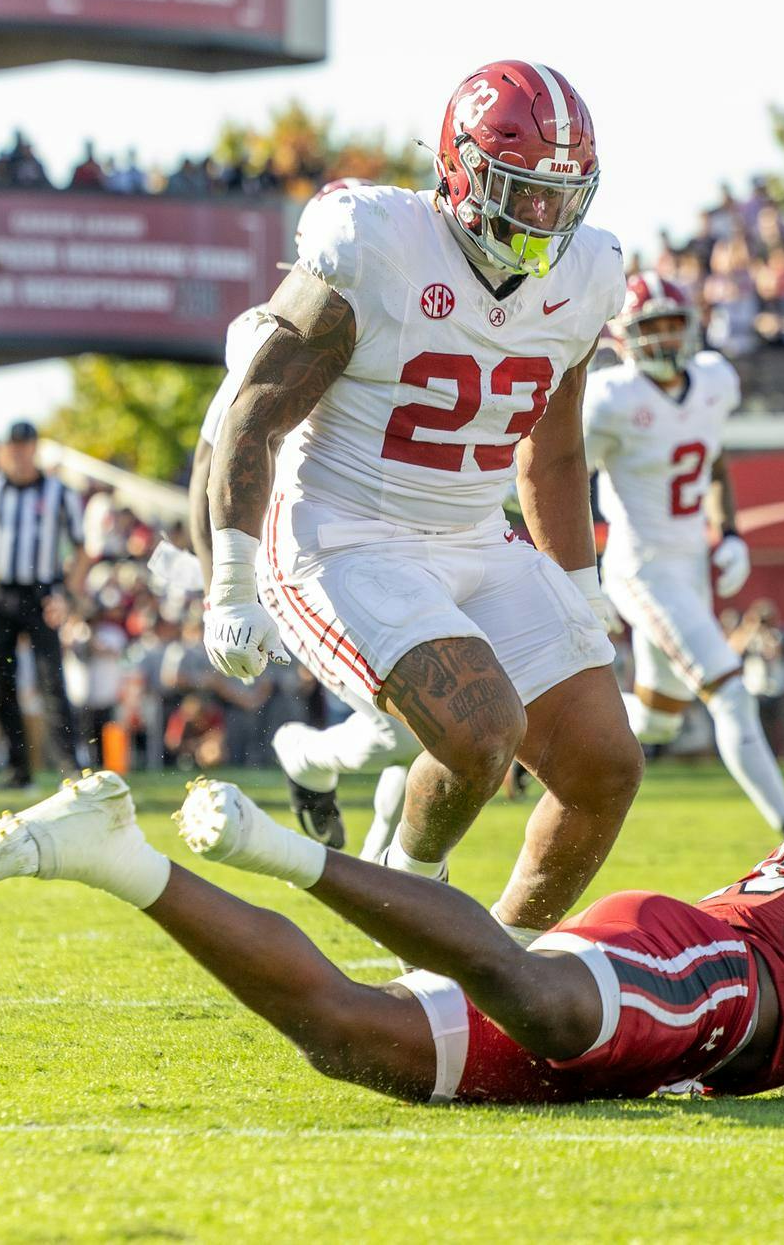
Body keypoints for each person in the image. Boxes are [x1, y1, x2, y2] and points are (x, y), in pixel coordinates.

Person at [0, 725, 784, 1105]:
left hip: (693, 985)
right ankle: (285, 848)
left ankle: (123, 860)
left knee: (355, 1039)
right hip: (716, 979)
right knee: (532, 998)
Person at [199, 61, 643, 942]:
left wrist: (581, 591)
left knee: (605, 765)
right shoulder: (376, 243)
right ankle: (413, 887)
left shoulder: (587, 273)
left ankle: (499, 970)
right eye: (523, 191)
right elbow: (252, 412)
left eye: (562, 196)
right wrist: (231, 580)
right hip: (343, 531)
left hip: (477, 530)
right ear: (462, 171)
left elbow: (552, 450)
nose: (543, 218)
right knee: (480, 732)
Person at [180, 298, 415, 849]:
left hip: (401, 547)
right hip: (308, 560)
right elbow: (208, 470)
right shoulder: (277, 328)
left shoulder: (431, 313)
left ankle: (390, 863)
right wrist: (224, 593)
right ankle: (307, 758)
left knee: (443, 729)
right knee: (416, 729)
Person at [585, 272, 784, 835]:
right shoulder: (612, 400)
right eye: (649, 327)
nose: (662, 338)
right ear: (626, 338)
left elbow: (714, 460)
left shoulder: (711, 381)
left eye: (671, 324)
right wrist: (574, 570)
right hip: (643, 569)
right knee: (731, 692)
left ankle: (543, 737)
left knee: (658, 721)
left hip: (691, 565)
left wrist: (728, 531)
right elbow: (558, 479)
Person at [0, 420, 88, 788]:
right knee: (2, 683)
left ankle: (69, 768)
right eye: (12, 446)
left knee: (51, 682)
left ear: (34, 450)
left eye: (24, 447)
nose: (17, 454)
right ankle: (18, 768)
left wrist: (69, 596)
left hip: (41, 594)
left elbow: (81, 549)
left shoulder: (59, 492)